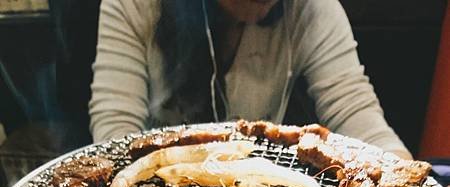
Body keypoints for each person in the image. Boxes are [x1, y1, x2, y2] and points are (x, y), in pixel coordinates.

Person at [89, 0, 412, 159]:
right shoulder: (133, 5)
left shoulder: (310, 8)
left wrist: (402, 172)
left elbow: (355, 110)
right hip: (159, 183)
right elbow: (116, 129)